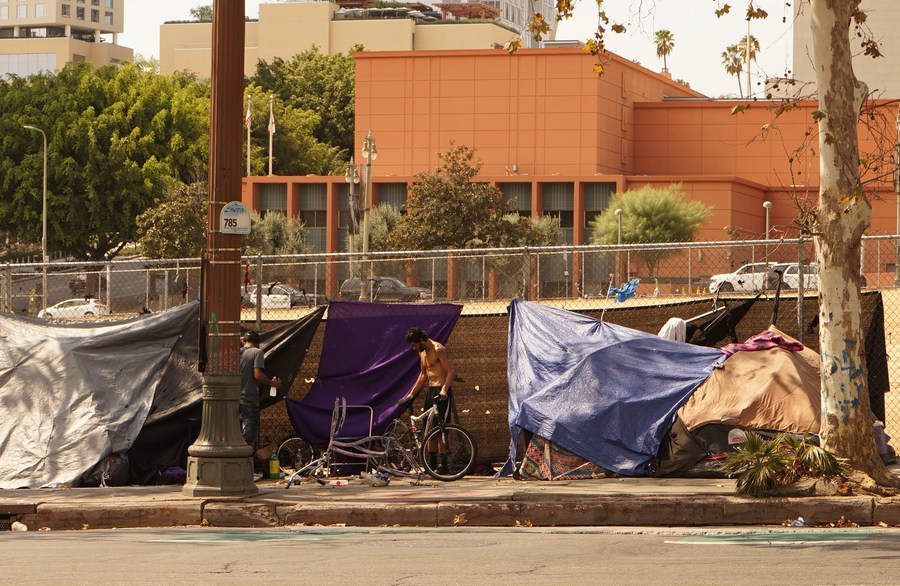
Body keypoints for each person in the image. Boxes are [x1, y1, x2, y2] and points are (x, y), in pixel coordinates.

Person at [397, 327, 456, 474]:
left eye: (415, 344)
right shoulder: (422, 352)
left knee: (441, 428)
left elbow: (450, 371)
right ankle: (432, 464)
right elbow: (423, 374)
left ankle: (444, 466)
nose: (414, 347)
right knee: (429, 429)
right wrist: (411, 395)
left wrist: (444, 389)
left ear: (422, 340)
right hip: (430, 391)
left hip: (441, 392)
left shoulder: (438, 349)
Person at [239, 331, 281, 456]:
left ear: (243, 341)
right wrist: (271, 383)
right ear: (257, 343)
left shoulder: (238, 352)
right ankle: (245, 463)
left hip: (234, 398)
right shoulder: (257, 352)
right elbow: (257, 374)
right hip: (249, 397)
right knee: (249, 433)